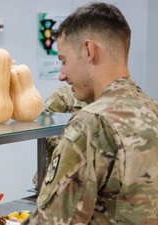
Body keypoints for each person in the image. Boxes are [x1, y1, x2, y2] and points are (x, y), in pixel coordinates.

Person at [22, 2, 158, 224]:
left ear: (88, 50)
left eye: (64, 60)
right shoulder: (153, 110)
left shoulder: (91, 124)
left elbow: (51, 221)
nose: (61, 75)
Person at [32, 86, 88, 189]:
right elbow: (44, 131)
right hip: (55, 180)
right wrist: (82, 143)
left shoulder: (107, 100)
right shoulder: (63, 96)